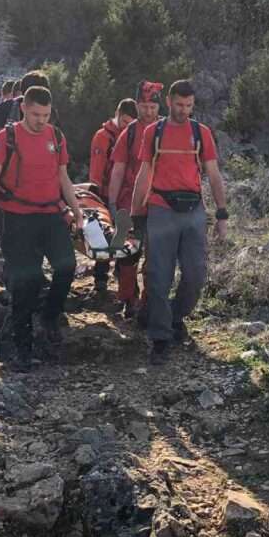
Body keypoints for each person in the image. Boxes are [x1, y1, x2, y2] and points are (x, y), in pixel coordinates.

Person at [0, 86, 82, 372]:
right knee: (27, 280)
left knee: (67, 265)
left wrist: (77, 208)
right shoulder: (6, 137)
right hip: (17, 217)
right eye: (35, 114)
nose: (41, 120)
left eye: (46, 115)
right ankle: (23, 348)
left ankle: (49, 316)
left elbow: (63, 176)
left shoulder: (55, 137)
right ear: (23, 108)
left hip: (50, 214)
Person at [131, 79, 228, 365]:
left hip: (193, 210)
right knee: (159, 277)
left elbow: (213, 174)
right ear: (169, 102)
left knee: (196, 274)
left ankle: (175, 316)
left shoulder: (202, 133)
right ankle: (160, 337)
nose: (184, 110)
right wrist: (137, 213)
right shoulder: (154, 132)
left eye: (189, 106)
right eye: (179, 105)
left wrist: (221, 213)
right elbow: (144, 174)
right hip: (160, 209)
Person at [108, 81, 164, 318]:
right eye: (144, 106)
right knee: (128, 254)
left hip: (160, 203)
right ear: (137, 106)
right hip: (128, 202)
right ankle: (128, 299)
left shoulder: (167, 130)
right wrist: (111, 203)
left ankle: (149, 301)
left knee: (157, 255)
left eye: (152, 106)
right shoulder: (129, 133)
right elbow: (118, 170)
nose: (148, 111)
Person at [89, 98, 137, 294]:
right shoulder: (103, 137)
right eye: (125, 122)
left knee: (123, 238)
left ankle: (120, 276)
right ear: (117, 115)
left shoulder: (132, 135)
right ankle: (100, 277)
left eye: (131, 123)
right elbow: (96, 170)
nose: (127, 126)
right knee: (104, 236)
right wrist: (98, 197)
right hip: (104, 194)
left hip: (125, 195)